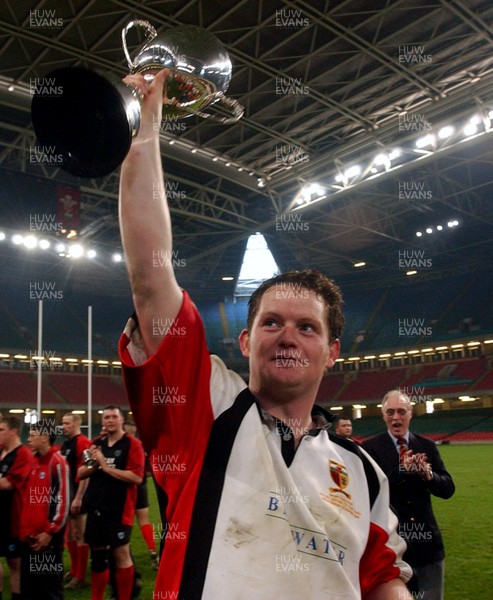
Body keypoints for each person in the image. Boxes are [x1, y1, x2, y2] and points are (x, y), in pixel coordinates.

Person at [117, 69, 413, 599]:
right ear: (246, 342)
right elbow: (150, 275)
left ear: (333, 353)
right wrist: (147, 126)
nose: (287, 336)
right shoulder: (206, 409)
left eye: (307, 328)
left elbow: (382, 579)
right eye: (271, 322)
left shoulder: (363, 471)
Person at [362, 390, 455, 600]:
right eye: (391, 412)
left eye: (401, 411)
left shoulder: (426, 446)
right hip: (390, 548)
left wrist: (428, 474)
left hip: (427, 546)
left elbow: (448, 489)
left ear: (410, 414)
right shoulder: (369, 448)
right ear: (383, 415)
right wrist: (402, 470)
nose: (396, 417)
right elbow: (369, 492)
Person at [77, 406, 144, 600]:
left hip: (119, 510)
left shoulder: (132, 445)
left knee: (121, 555)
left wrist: (105, 466)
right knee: (97, 556)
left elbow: (136, 477)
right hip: (96, 508)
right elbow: (81, 472)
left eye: (114, 416)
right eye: (106, 417)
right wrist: (93, 464)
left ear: (121, 419)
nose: (110, 420)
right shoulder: (96, 443)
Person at [19, 419, 70, 600]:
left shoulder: (58, 463)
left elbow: (63, 501)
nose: (29, 440)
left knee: (50, 592)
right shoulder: (33, 462)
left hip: (48, 543)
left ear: (45, 436)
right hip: (29, 540)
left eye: (33, 436)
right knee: (29, 592)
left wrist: (50, 532)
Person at [0, 416, 34, 600]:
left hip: (14, 518)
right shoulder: (1, 451)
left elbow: (8, 484)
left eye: (1, 430)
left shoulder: (23, 454)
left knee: (15, 563)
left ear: (13, 431)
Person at [60, 412, 91, 589]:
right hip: (69, 493)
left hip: (80, 494)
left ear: (76, 424)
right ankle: (74, 569)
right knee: (70, 533)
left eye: (66, 423)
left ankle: (80, 576)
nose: (63, 426)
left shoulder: (83, 442)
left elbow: (86, 471)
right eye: (62, 423)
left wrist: (78, 497)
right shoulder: (66, 444)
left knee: (80, 533)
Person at [122, 420, 158, 570]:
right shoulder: (141, 445)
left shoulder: (122, 444)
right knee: (144, 519)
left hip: (126, 486)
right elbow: (151, 467)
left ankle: (125, 555)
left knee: (125, 522)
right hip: (141, 484)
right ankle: (153, 552)